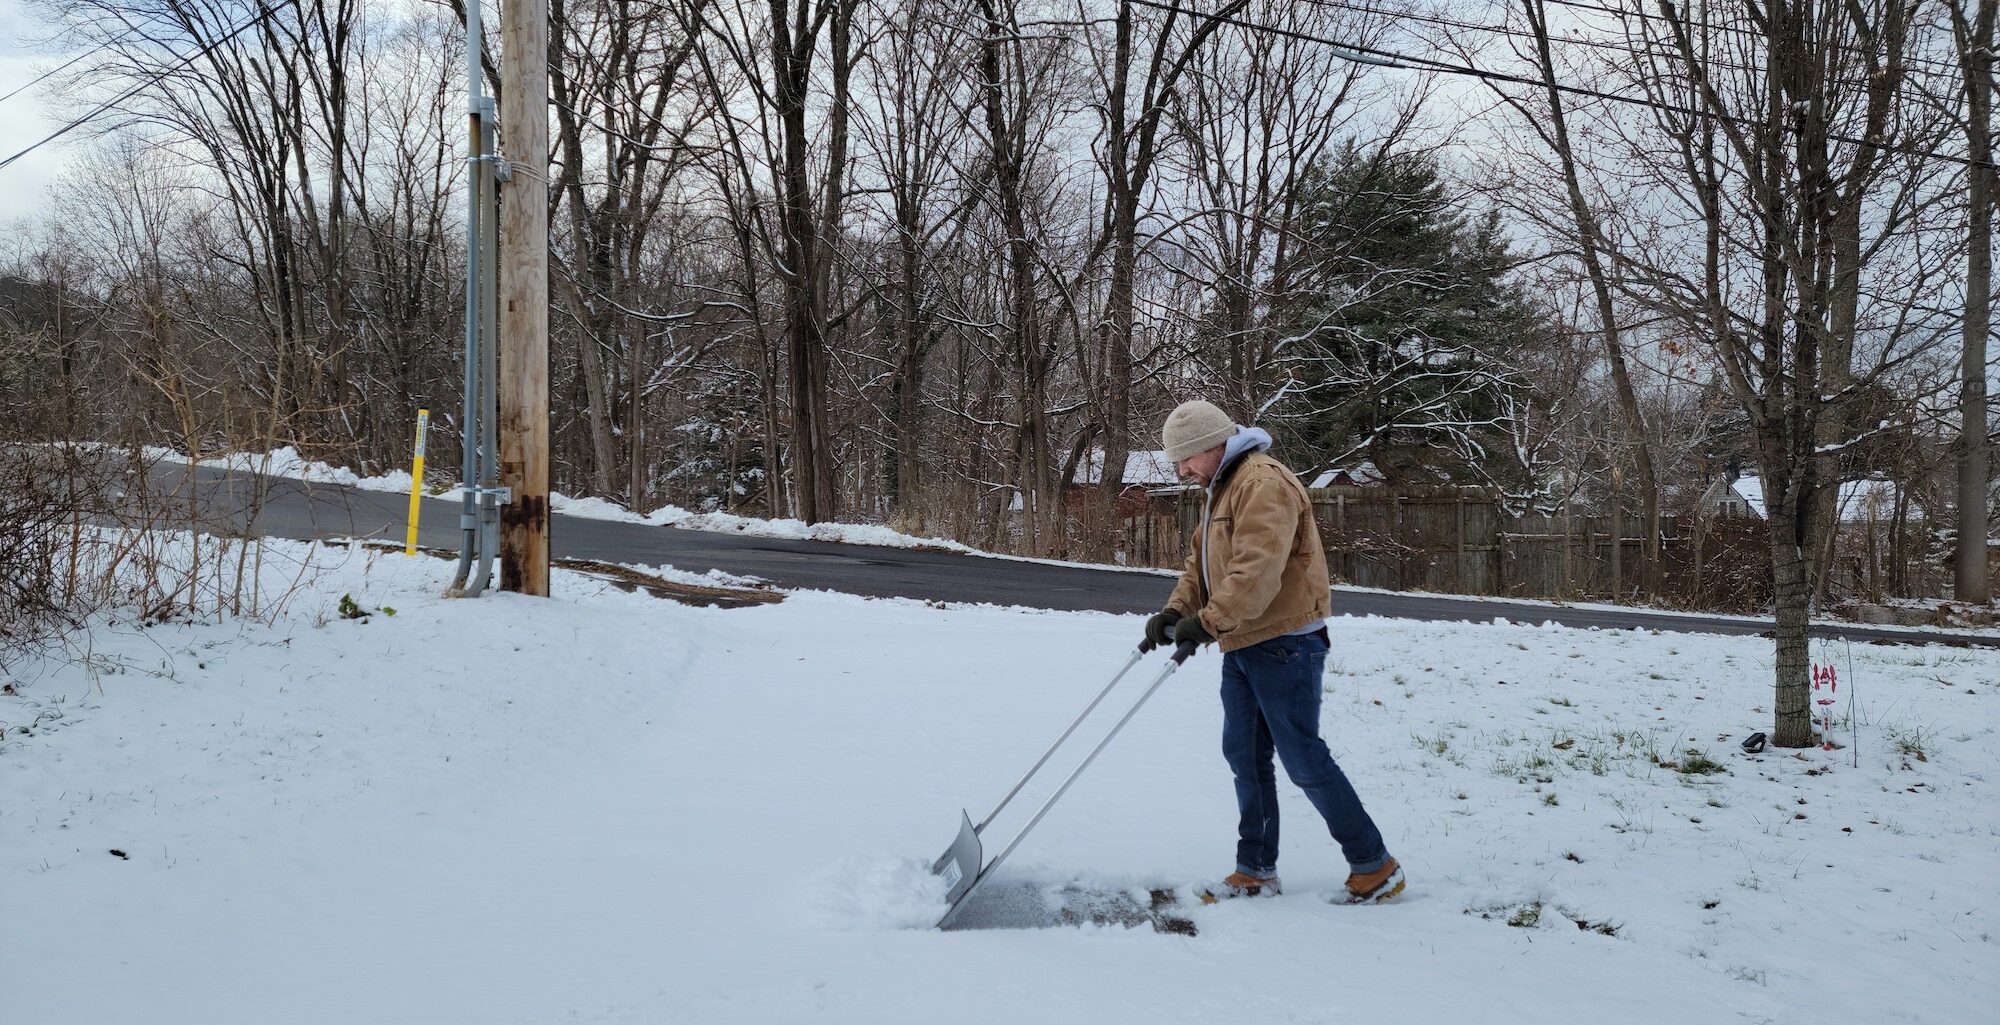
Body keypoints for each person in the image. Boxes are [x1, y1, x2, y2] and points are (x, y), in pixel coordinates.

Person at [1142, 399, 1404, 905]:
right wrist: (1176, 612)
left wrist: (1208, 622)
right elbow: (1204, 565)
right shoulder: (1222, 484)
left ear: (1211, 446)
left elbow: (1256, 572)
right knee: (1245, 755)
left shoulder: (1263, 483)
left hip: (1285, 641)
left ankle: (1375, 866)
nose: (1181, 471)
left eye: (1185, 459)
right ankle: (1256, 869)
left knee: (1302, 758)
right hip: (1244, 641)